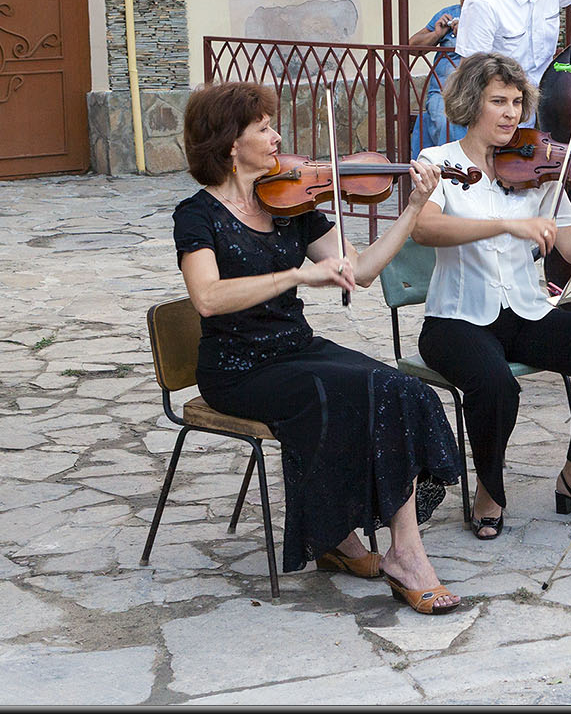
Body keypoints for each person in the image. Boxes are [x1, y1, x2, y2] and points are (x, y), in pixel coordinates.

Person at [173, 82, 464, 615]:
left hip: (295, 348)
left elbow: (366, 269)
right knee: (340, 396)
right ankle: (392, 556)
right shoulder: (197, 216)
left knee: (397, 388)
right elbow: (209, 299)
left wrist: (416, 204)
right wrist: (297, 276)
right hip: (238, 368)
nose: (277, 135)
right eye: (263, 128)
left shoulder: (292, 204)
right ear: (230, 143)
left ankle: (387, 547)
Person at [410, 52, 571, 539]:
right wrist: (508, 222)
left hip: (524, 311)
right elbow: (423, 228)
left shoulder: (538, 167)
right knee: (496, 384)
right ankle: (490, 489)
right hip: (455, 320)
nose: (510, 113)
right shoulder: (438, 161)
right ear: (471, 103)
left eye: (516, 102)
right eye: (497, 101)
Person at [409, 0, 492, 156]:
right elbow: (412, 47)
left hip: (482, 87)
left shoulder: (494, 13)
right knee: (443, 118)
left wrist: (466, 31)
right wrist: (436, 34)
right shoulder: (450, 14)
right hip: (445, 91)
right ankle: (447, 173)